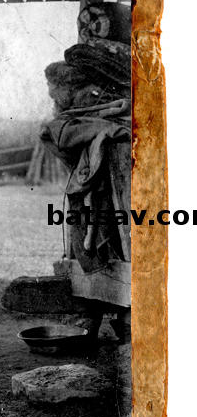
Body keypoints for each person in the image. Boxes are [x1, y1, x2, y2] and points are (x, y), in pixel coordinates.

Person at [40, 35, 132, 342]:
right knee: (93, 242)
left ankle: (114, 319)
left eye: (55, 89)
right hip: (97, 192)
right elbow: (61, 135)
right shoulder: (66, 120)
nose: (52, 95)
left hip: (116, 190)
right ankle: (96, 320)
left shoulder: (88, 103)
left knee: (111, 243)